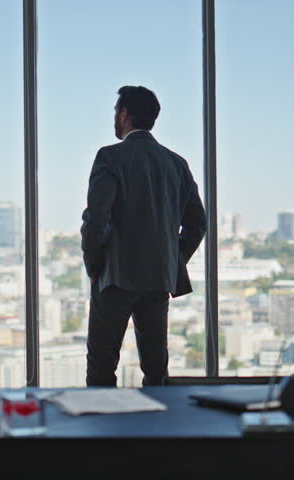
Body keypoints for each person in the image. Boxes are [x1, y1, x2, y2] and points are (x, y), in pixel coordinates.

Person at [81, 85, 206, 387]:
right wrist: (171, 258)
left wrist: (95, 266)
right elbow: (198, 223)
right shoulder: (176, 163)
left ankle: (101, 430)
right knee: (155, 368)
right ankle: (156, 431)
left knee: (102, 367)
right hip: (157, 277)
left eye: (116, 112)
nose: (114, 117)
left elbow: (96, 218)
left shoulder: (110, 157)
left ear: (124, 114)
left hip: (115, 277)